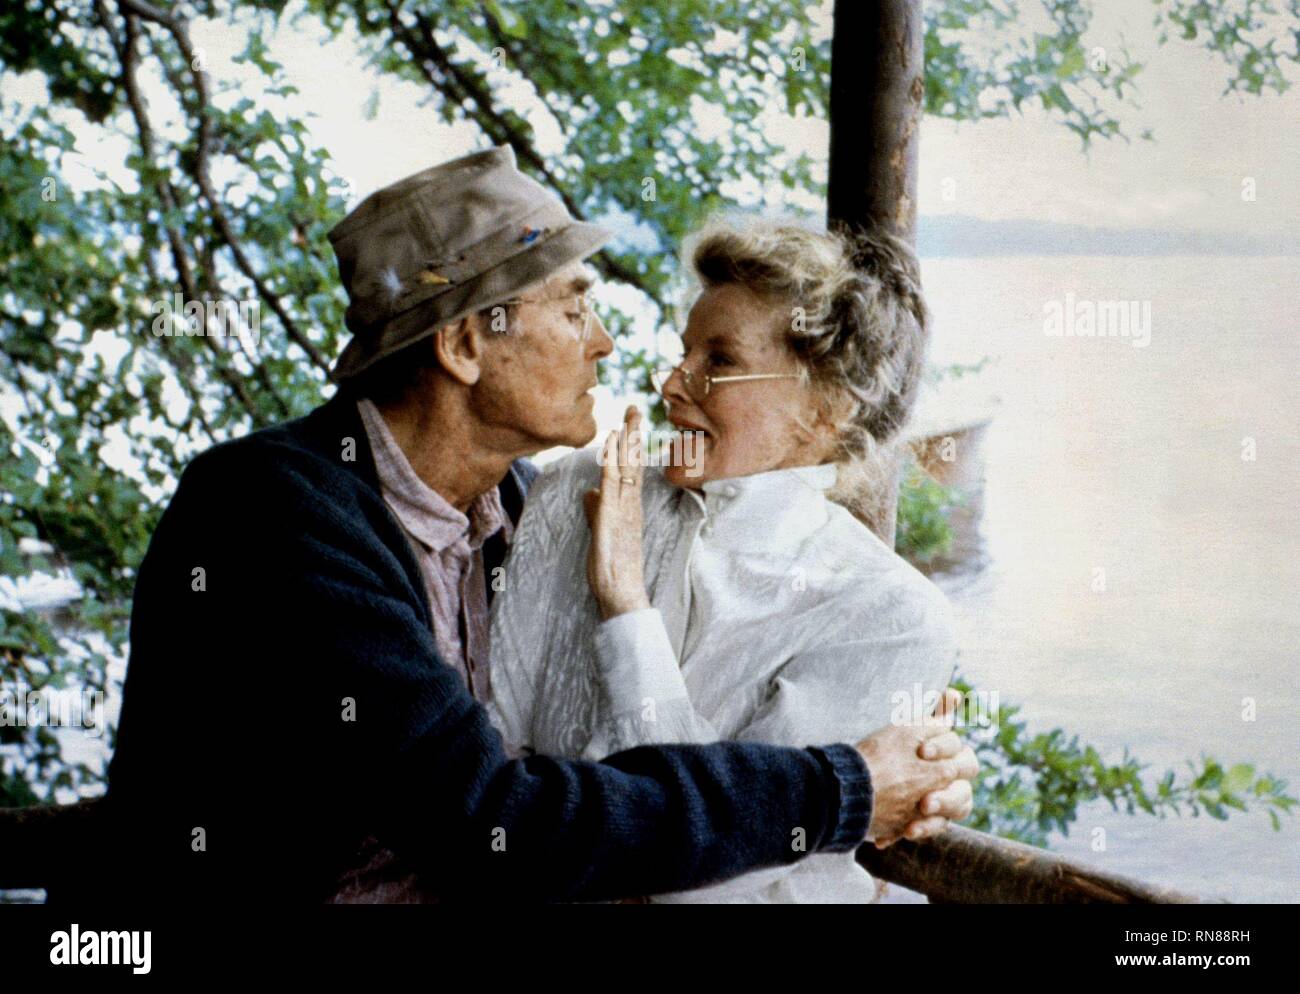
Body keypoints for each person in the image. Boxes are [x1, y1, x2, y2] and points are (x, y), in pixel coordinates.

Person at [84, 147, 976, 904]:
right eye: (573, 305)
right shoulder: (271, 511)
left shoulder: (519, 507)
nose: (607, 344)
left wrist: (901, 753)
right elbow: (493, 817)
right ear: (466, 344)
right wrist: (846, 785)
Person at [489, 217, 965, 902]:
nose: (672, 385)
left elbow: (700, 883)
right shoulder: (578, 489)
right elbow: (498, 778)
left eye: (720, 361)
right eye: (685, 353)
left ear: (825, 408)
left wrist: (625, 603)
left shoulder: (889, 615)